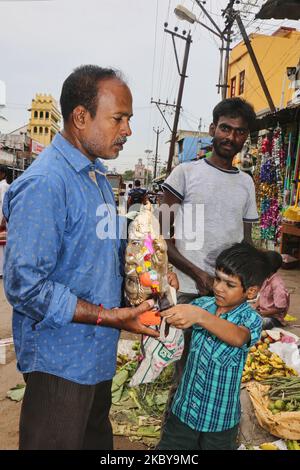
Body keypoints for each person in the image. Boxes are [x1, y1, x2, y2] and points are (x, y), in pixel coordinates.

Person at [3, 65, 159, 450]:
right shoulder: (46, 184)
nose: (127, 130)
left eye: (129, 119)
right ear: (80, 116)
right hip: (60, 364)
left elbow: (106, 252)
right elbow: (25, 286)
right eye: (118, 118)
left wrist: (151, 272)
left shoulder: (95, 177)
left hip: (96, 356)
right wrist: (108, 315)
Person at [159, 97, 258, 411]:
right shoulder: (185, 173)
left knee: (218, 372)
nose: (231, 137)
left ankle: (211, 435)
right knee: (185, 374)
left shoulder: (246, 184)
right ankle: (176, 441)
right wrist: (198, 273)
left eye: (239, 132)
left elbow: (246, 244)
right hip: (188, 292)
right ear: (213, 129)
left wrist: (249, 282)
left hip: (228, 299)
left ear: (246, 138)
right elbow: (160, 236)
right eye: (225, 128)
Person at [157, 243, 270, 450]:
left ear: (251, 291)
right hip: (183, 413)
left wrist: (200, 317)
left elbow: (238, 337)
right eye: (217, 278)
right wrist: (167, 291)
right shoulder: (203, 305)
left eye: (229, 284)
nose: (218, 287)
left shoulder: (250, 319)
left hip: (220, 423)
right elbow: (169, 318)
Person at [255, 251, 290, 329]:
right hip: (263, 312)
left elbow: (281, 308)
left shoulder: (277, 285)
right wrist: (254, 306)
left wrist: (263, 313)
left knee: (259, 323)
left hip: (274, 318)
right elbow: (261, 295)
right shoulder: (266, 278)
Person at [0, 165, 9, 277]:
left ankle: (2, 270)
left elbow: (4, 203)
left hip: (1, 218)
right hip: (2, 217)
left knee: (1, 244)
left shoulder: (3, 186)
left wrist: (3, 218)